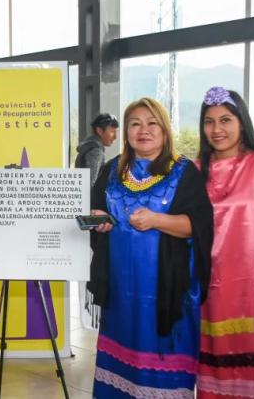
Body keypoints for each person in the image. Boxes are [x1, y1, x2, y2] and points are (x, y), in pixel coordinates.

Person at [87, 97, 213, 398]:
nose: (143, 130)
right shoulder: (110, 171)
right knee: (119, 370)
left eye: (151, 123)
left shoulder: (184, 172)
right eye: (135, 124)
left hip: (165, 294)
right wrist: (99, 222)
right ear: (126, 132)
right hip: (119, 292)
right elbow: (95, 216)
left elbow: (200, 226)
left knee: (160, 373)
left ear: (165, 130)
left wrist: (158, 220)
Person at [195, 87, 254, 398]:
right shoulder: (195, 171)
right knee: (213, 363)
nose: (217, 130)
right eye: (209, 121)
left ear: (242, 122)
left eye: (226, 120)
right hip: (209, 284)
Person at [75, 112, 119, 187]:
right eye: (112, 131)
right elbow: (90, 184)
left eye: (116, 132)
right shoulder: (96, 151)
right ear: (100, 131)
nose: (115, 137)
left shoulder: (89, 147)